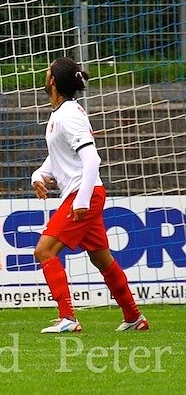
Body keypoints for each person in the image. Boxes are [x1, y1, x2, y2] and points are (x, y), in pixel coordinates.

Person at [32, 57, 148, 333]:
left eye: (48, 70)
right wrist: (39, 174)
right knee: (101, 258)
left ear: (52, 80)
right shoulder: (62, 113)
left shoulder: (68, 115)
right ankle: (134, 317)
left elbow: (92, 159)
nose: (45, 73)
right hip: (84, 193)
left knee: (44, 250)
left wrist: (82, 200)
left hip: (84, 194)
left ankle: (68, 318)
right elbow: (60, 154)